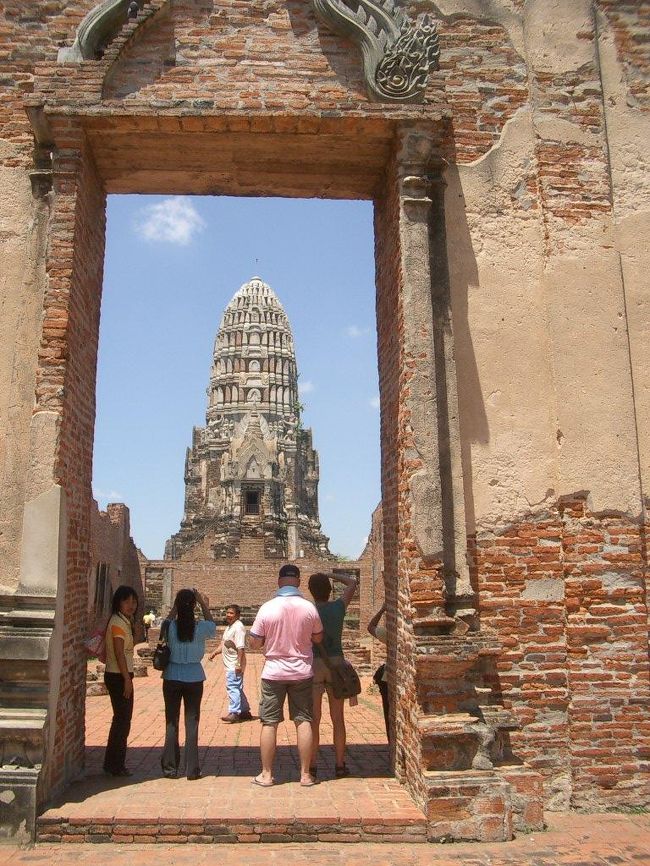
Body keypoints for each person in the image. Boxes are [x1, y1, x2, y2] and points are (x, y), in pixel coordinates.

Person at [249, 564, 323, 787]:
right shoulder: (309, 608)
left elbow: (254, 642)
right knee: (304, 721)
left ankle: (267, 774)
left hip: (273, 672)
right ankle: (305, 775)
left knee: (269, 723)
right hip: (301, 671)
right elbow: (318, 638)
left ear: (279, 581)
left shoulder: (267, 608)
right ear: (299, 581)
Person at [307, 571, 358, 779]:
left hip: (314, 665)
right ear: (329, 590)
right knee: (338, 719)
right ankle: (339, 764)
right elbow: (352, 582)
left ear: (311, 591)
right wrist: (330, 574)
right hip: (336, 663)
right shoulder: (338, 607)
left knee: (314, 720)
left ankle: (311, 766)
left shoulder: (308, 611)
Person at [161, 589, 216, 780]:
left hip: (172, 676)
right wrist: (202, 603)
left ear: (176, 605)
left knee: (171, 722)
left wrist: (176, 607)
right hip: (193, 676)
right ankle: (191, 769)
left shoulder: (170, 626)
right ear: (194, 606)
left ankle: (170, 768)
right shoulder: (200, 627)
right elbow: (212, 625)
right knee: (191, 723)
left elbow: (165, 621)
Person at [103, 585, 139, 777]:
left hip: (119, 674)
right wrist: (127, 679)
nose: (131, 605)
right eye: (127, 601)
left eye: (133, 601)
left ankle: (112, 763)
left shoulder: (124, 620)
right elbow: (118, 652)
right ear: (118, 602)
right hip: (119, 676)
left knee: (120, 720)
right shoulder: (118, 622)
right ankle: (116, 764)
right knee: (122, 721)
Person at [209, 604, 252, 723]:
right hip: (230, 663)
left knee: (232, 687)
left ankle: (234, 712)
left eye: (231, 613)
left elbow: (241, 648)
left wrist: (238, 664)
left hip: (234, 664)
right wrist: (214, 652)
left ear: (238, 615)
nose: (228, 615)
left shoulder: (238, 627)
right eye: (227, 613)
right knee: (237, 687)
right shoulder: (229, 627)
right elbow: (224, 643)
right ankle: (244, 711)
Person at [368, 603, 389, 740]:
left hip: (388, 677)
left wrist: (382, 610)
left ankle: (391, 744)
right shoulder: (398, 631)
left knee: (389, 714)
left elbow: (370, 627)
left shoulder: (389, 633)